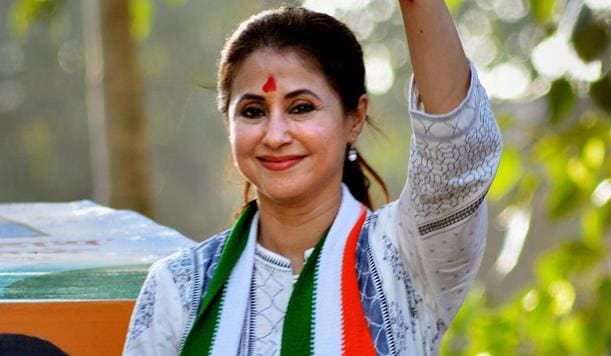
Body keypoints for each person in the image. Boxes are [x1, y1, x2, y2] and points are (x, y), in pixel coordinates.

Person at [124, 2, 502, 355]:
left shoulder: (404, 258)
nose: (274, 135)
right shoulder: (179, 288)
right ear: (229, 124)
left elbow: (458, 145)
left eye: (301, 108)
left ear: (354, 119)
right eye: (253, 112)